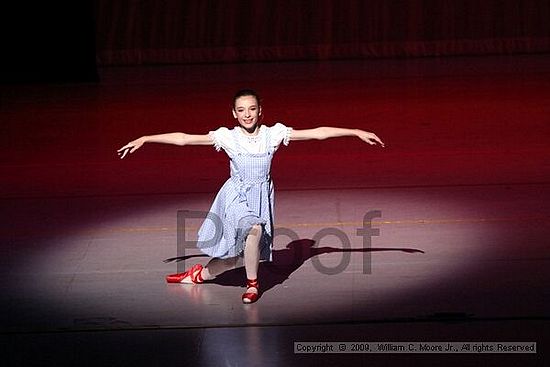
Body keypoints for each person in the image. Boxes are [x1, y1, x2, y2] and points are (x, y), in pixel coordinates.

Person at [118, 89, 384, 304]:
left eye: (252, 109)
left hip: (261, 195)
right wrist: (146, 138)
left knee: (238, 257)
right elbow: (185, 139)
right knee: (254, 230)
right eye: (242, 110)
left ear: (260, 111)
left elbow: (317, 133)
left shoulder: (273, 134)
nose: (247, 114)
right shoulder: (228, 137)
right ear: (234, 114)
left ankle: (198, 274)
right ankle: (253, 285)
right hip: (235, 194)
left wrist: (355, 132)